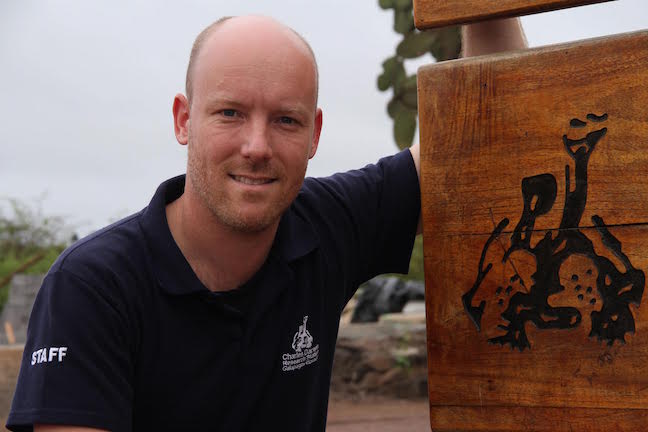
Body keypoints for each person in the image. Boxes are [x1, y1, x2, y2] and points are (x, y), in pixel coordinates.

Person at [7, 15, 526, 432]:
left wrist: (479, 8)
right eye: (230, 113)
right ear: (184, 120)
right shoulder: (94, 288)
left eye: (285, 120)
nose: (256, 147)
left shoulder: (328, 224)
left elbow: (482, 132)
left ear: (315, 132)